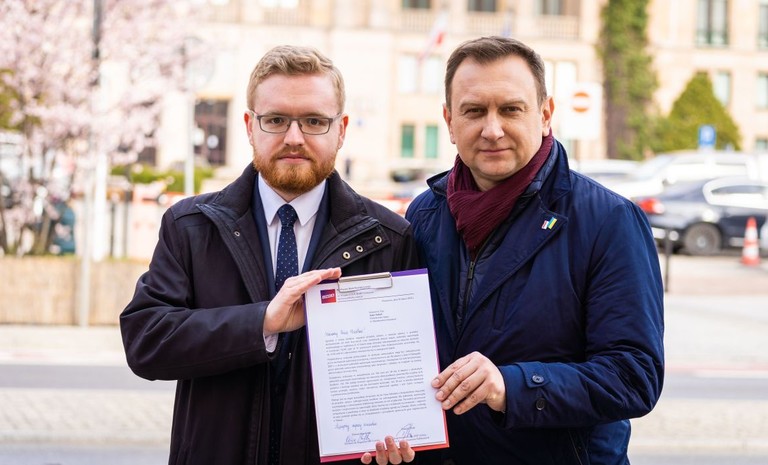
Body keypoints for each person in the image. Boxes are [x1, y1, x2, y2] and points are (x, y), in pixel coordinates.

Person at [120, 45, 418, 465]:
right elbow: (146, 341)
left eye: (314, 121)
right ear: (249, 126)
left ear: (341, 129)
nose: (294, 138)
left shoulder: (390, 238)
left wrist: (401, 441)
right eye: (276, 120)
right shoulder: (190, 226)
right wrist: (261, 322)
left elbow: (402, 374)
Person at [405, 36, 664, 465]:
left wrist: (511, 387)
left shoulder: (608, 220)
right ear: (449, 121)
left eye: (511, 109)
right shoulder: (425, 214)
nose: (492, 130)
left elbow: (634, 376)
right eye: (474, 111)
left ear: (545, 115)